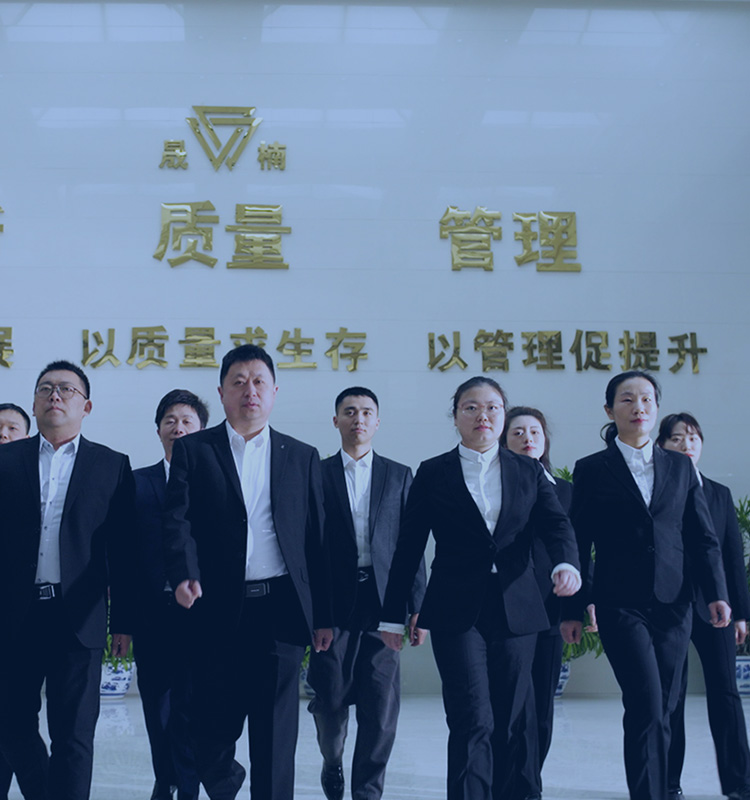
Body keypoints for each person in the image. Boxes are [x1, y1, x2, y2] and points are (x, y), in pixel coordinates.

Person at [380, 376, 581, 800]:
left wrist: (567, 564)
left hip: (516, 608)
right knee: (472, 718)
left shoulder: (528, 470)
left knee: (510, 720)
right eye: (470, 407)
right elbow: (408, 546)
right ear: (455, 417)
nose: (482, 415)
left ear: (502, 416)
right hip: (456, 610)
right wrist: (393, 615)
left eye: (492, 407)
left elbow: (557, 525)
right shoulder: (433, 472)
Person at [162, 344, 333, 800]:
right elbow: (177, 521)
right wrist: (184, 573)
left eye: (259, 382)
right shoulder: (195, 450)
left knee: (275, 736)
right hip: (215, 608)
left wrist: (323, 615)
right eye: (238, 382)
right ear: (221, 393)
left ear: (275, 391)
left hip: (280, 611)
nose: (249, 391)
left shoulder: (301, 456)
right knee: (208, 731)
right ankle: (225, 781)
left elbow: (316, 541)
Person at [561, 371, 731, 800]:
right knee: (646, 704)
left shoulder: (680, 466)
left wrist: (716, 593)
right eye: (627, 399)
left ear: (656, 408)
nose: (639, 407)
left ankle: (665, 788)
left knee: (668, 705)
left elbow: (702, 536)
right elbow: (578, 541)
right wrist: (574, 608)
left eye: (647, 400)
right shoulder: (592, 469)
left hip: (675, 603)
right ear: (609, 410)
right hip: (620, 604)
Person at [0, 360, 134, 800]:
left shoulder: (111, 465)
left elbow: (123, 552)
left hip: (78, 617)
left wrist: (123, 623)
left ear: (86, 406)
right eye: (45, 388)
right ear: (34, 403)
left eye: (65, 389)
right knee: (10, 724)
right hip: (14, 616)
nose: (54, 395)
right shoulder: (6, 460)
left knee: (74, 736)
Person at [307, 387, 427, 800]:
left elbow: (411, 546)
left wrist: (416, 606)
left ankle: (367, 792)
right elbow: (307, 544)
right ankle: (332, 759)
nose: (358, 419)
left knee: (380, 707)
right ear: (335, 420)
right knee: (329, 700)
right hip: (332, 604)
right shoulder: (316, 474)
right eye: (349, 411)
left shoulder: (399, 475)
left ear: (377, 422)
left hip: (384, 604)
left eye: (366, 412)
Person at [657, 412, 750, 800]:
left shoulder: (718, 494)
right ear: (662, 446)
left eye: (693, 438)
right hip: (669, 606)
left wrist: (741, 613)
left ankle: (740, 783)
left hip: (716, 609)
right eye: (677, 438)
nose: (686, 445)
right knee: (671, 697)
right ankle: (668, 784)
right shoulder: (656, 490)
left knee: (725, 692)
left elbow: (732, 557)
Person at [133, 390, 210, 800]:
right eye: (170, 421)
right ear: (159, 429)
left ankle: (189, 785)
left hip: (201, 611)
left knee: (192, 704)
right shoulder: (136, 482)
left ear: (201, 431)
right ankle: (166, 779)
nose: (178, 428)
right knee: (156, 704)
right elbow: (124, 555)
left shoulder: (214, 482)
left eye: (187, 421)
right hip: (153, 612)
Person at [501, 407, 573, 800]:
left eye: (535, 432)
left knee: (541, 709)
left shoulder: (565, 490)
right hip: (507, 608)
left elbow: (579, 547)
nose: (527, 438)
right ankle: (521, 788)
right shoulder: (495, 485)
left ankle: (528, 781)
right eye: (517, 432)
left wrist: (582, 603)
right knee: (515, 706)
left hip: (550, 608)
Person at [0, 402, 31, 800]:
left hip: (17, 621)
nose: (3, 435)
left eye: (11, 429)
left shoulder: (37, 489)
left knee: (11, 719)